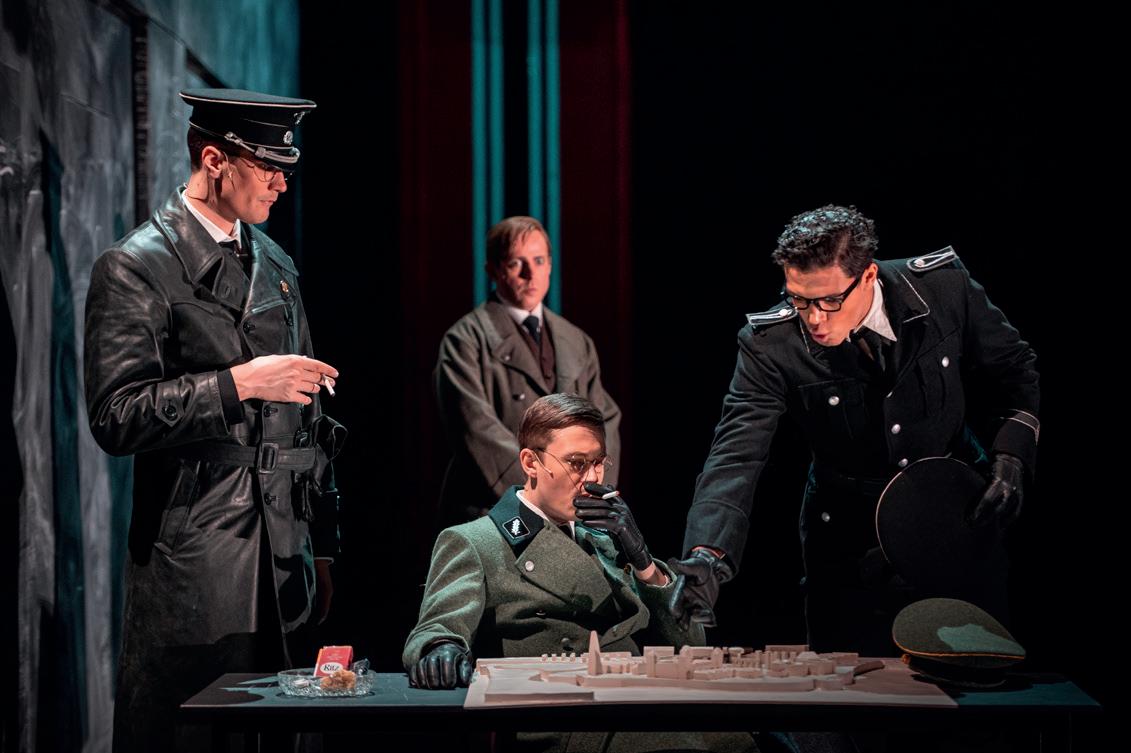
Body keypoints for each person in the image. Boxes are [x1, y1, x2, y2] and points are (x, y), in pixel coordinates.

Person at [84, 88, 345, 752]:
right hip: (199, 550)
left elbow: (312, 421)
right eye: (268, 168)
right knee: (195, 734)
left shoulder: (276, 265)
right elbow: (116, 416)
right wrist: (238, 384)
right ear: (214, 160)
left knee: (281, 731)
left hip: (284, 553)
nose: (281, 183)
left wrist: (321, 543)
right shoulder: (136, 266)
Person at [669, 204, 1039, 656]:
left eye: (829, 300)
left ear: (867, 276)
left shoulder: (943, 286)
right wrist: (708, 554)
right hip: (845, 538)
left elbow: (1015, 371)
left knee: (977, 676)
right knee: (846, 685)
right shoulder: (770, 344)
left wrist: (1011, 454)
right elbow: (736, 453)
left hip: (954, 515)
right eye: (798, 300)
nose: (814, 319)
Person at [435, 216, 621, 521]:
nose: (529, 273)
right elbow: (476, 429)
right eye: (515, 263)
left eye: (538, 260)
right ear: (493, 270)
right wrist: (542, 496)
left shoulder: (576, 340)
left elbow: (604, 419)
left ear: (550, 266)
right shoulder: (465, 340)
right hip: (494, 509)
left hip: (571, 509)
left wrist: (593, 488)